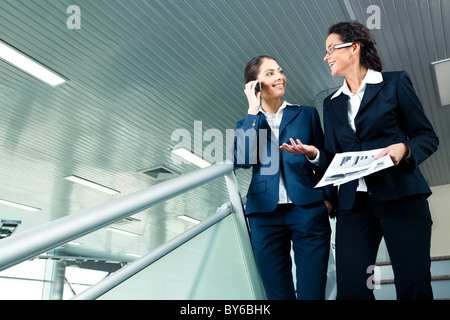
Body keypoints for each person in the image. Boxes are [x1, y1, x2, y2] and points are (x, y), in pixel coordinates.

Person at [285, 21, 439, 300]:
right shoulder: (332, 102)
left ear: (354, 48)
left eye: (332, 48)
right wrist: (315, 154)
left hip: (402, 198)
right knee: (353, 289)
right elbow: (335, 156)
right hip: (354, 206)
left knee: (413, 283)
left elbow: (426, 136)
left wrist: (403, 148)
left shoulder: (394, 83)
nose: (326, 56)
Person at [233, 56, 333, 300]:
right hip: (264, 217)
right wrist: (252, 110)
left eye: (279, 71)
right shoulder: (247, 122)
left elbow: (326, 160)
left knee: (312, 293)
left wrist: (328, 201)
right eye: (269, 73)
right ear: (254, 85)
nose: (279, 76)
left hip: (308, 209)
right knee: (277, 295)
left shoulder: (306, 114)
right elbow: (243, 159)